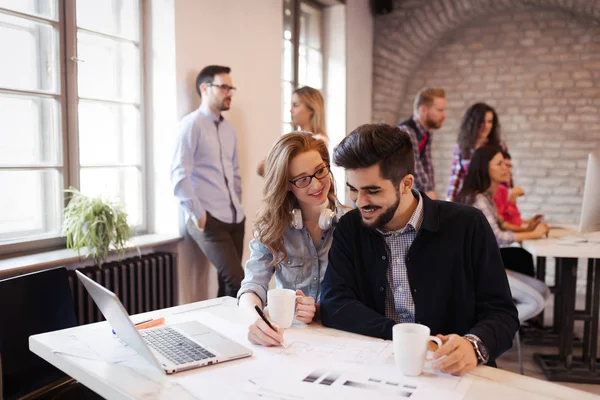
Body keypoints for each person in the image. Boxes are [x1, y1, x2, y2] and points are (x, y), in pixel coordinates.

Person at [320, 124, 519, 377]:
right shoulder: (350, 228)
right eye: (353, 190)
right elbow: (334, 303)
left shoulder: (468, 225)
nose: (360, 202)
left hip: (456, 374)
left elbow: (502, 313)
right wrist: (405, 337)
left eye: (372, 191)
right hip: (382, 370)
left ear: (406, 183)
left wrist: (473, 346)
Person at [238, 133, 345, 347]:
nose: (316, 185)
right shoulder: (272, 226)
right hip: (292, 340)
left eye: (320, 171)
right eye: (302, 179)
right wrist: (255, 320)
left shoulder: (349, 224)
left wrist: (318, 309)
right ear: (286, 184)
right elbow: (252, 286)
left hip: (339, 338)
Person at [171, 65, 245, 298]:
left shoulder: (229, 129)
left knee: (228, 287)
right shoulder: (191, 125)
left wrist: (238, 203)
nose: (229, 92)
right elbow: (179, 174)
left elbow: (234, 172)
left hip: (235, 218)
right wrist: (199, 215)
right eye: (224, 87)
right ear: (205, 88)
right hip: (209, 219)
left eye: (231, 87)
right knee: (239, 281)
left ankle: (231, 333)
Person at [454, 146, 548, 277]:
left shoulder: (486, 196)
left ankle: (524, 294)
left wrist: (527, 230)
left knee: (521, 256)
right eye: (499, 164)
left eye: (506, 164)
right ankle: (525, 295)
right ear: (484, 167)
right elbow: (497, 237)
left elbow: (502, 224)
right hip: (474, 264)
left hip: (479, 257)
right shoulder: (478, 198)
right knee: (520, 257)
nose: (506, 168)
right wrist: (533, 234)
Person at [257, 86, 327, 177]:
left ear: (311, 109)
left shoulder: (319, 142)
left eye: (296, 105)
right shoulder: (294, 140)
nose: (291, 110)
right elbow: (261, 168)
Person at [446, 103, 506, 201]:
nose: (486, 126)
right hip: (469, 200)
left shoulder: (499, 146)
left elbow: (506, 174)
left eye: (490, 121)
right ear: (473, 122)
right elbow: (456, 178)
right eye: (482, 121)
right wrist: (449, 202)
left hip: (494, 199)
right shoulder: (462, 147)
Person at [397, 87, 446, 199]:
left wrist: (431, 190)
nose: (444, 115)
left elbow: (427, 165)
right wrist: (428, 191)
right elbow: (415, 165)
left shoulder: (426, 133)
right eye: (440, 110)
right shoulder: (407, 130)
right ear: (423, 110)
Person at [494, 150, 530, 227]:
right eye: (500, 165)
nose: (509, 170)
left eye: (509, 166)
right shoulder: (494, 192)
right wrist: (513, 196)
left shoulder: (503, 190)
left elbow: (514, 221)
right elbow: (512, 223)